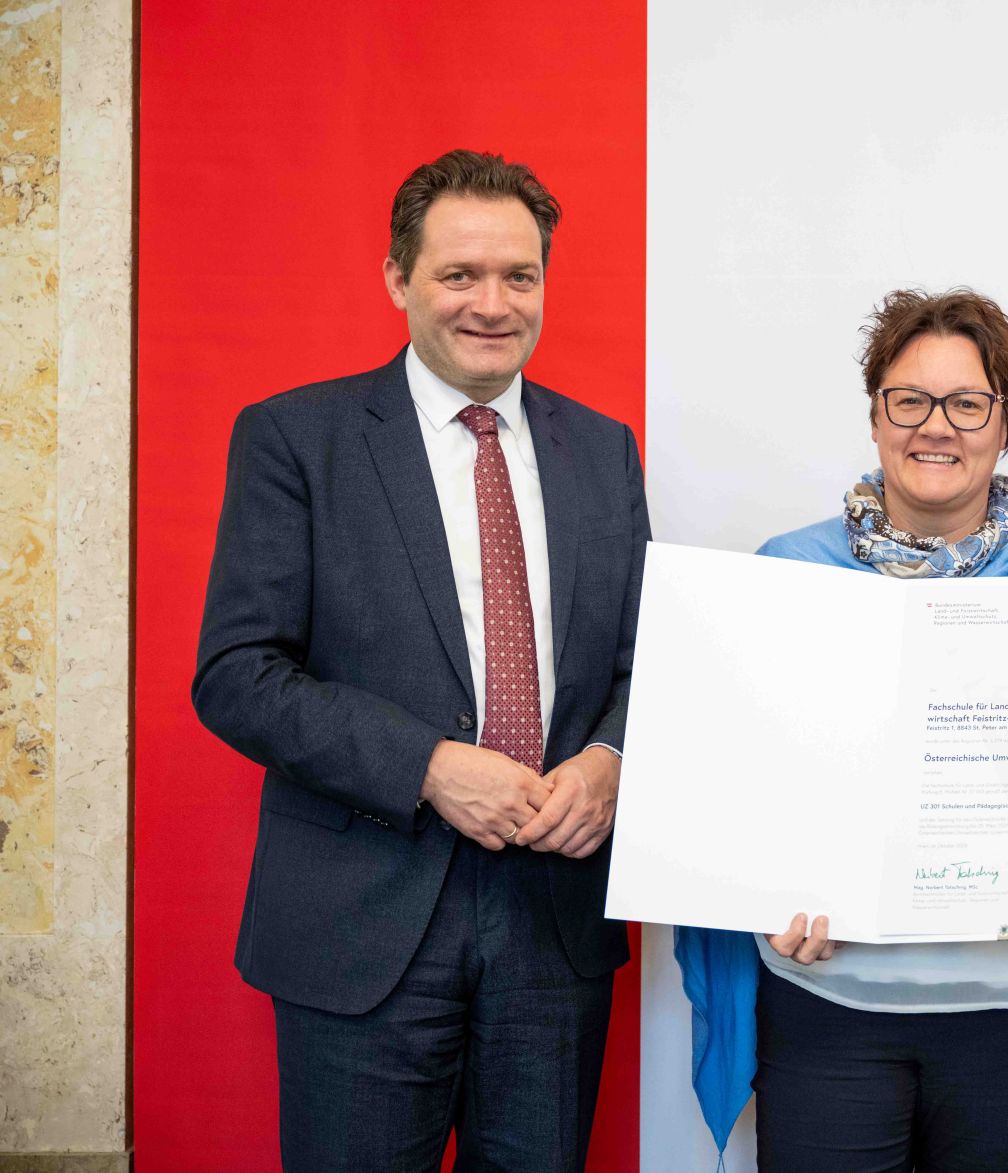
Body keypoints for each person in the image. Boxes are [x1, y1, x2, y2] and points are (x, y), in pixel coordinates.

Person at [192, 149, 648, 1171]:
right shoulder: (294, 439)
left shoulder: (603, 450)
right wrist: (430, 768)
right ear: (399, 280)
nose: (491, 303)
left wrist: (612, 759)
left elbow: (642, 663)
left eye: (518, 276)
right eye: (459, 274)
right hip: (360, 923)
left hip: (553, 927)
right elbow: (236, 673)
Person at [675, 288, 1008, 1173]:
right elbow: (737, 795)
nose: (936, 427)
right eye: (909, 399)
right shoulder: (785, 577)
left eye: (968, 403)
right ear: (876, 415)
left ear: (1005, 424)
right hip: (832, 999)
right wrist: (760, 890)